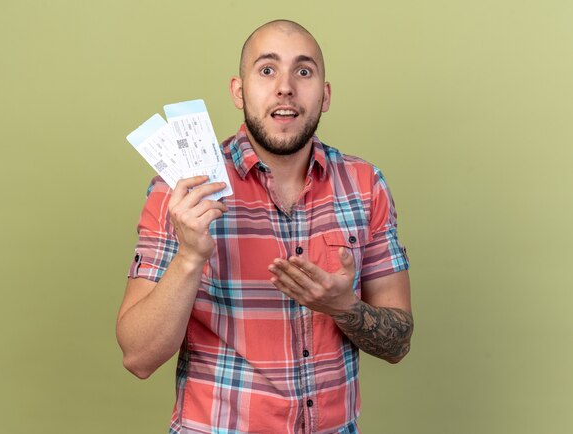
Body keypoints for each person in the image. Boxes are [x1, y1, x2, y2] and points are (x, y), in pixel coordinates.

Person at [116, 19, 413, 434]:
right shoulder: (180, 191)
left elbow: (399, 343)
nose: (286, 87)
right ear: (239, 90)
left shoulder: (366, 186)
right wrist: (189, 257)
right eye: (267, 70)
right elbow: (138, 357)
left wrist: (344, 306)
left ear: (324, 96)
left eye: (303, 71)